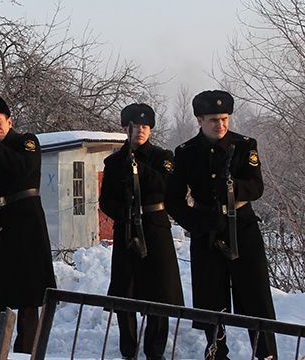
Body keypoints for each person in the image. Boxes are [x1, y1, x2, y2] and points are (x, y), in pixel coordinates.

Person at [166, 90, 277, 359]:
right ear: (200, 120)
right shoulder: (186, 153)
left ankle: (265, 353)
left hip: (243, 227)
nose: (221, 124)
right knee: (210, 297)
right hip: (208, 229)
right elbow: (173, 199)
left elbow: (256, 186)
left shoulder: (245, 145)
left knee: (256, 295)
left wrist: (233, 188)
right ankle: (216, 350)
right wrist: (196, 222)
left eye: (225, 118)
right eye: (214, 119)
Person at [99, 103, 183, 360]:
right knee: (126, 290)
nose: (141, 131)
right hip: (126, 229)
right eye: (135, 126)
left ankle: (155, 350)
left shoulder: (163, 157)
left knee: (159, 292)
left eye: (146, 126)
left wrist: (138, 167)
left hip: (155, 229)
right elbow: (106, 200)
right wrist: (125, 214)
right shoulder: (114, 162)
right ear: (126, 128)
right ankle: (128, 349)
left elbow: (166, 187)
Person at [0, 96, 56, 353]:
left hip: (27, 224)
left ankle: (25, 352)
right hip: (1, 226)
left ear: (9, 121)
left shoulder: (26, 142)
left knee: (29, 296)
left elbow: (22, 169)